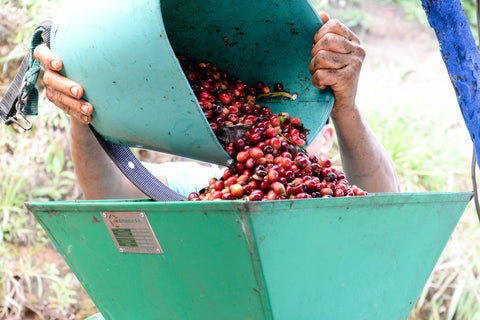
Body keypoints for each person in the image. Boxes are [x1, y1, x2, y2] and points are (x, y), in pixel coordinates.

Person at [33, 12, 400, 199]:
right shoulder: (209, 185)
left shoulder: (333, 197)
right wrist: (83, 103)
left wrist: (344, 106)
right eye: (271, 122)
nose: (274, 137)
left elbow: (385, 203)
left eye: (298, 129)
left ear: (329, 138)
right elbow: (108, 192)